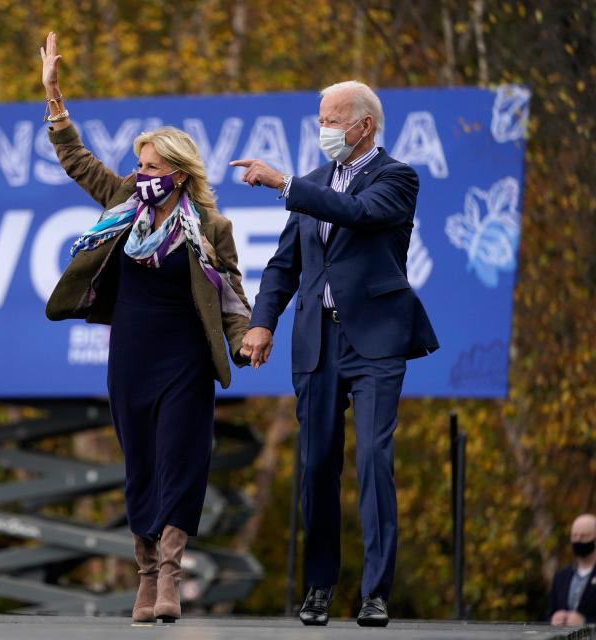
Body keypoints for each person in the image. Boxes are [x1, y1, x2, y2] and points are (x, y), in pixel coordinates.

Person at [39, 32, 251, 623]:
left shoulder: (210, 224)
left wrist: (243, 338)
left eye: (154, 167)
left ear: (179, 175)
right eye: (140, 164)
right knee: (139, 466)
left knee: (182, 461)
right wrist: (54, 97)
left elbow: (230, 291)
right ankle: (144, 570)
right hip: (130, 354)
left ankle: (171, 578)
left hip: (185, 358)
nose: (142, 173)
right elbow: (78, 162)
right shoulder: (124, 204)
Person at [231, 80, 439, 627]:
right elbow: (283, 265)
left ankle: (375, 591)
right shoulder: (313, 184)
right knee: (317, 464)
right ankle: (320, 586)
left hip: (374, 341)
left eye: (332, 119)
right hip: (316, 340)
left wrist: (282, 182)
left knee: (373, 458)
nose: (323, 129)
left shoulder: (396, 177)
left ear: (364, 125)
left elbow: (359, 214)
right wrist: (262, 323)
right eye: (320, 119)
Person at [549, 513, 596, 626]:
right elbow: (548, 613)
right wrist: (553, 619)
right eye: (574, 536)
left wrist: (586, 623)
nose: (578, 540)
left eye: (584, 536)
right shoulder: (561, 577)